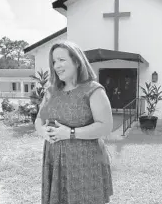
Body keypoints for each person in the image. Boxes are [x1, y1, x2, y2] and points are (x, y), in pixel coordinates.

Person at [34, 40, 114, 204]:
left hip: (85, 162)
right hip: (54, 161)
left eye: (61, 60)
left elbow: (105, 126)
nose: (56, 66)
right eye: (54, 61)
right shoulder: (51, 91)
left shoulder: (93, 90)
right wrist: (42, 131)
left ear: (77, 61)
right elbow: (39, 119)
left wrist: (70, 133)